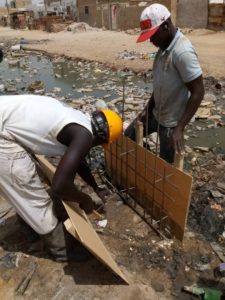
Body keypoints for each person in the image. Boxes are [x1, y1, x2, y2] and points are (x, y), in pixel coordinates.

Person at [0, 94, 122, 261]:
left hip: (4, 122)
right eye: (99, 144)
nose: (96, 146)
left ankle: (30, 231)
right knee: (27, 185)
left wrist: (95, 187)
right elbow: (59, 186)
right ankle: (61, 249)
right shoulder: (85, 135)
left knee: (21, 186)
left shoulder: (78, 119)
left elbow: (79, 160)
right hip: (2, 135)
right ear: (101, 136)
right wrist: (84, 198)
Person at [125, 3, 204, 163]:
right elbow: (160, 85)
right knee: (129, 135)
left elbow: (199, 91)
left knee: (165, 167)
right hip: (156, 113)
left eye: (153, 35)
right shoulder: (163, 48)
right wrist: (148, 109)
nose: (151, 41)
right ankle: (145, 161)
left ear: (166, 26)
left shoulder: (182, 52)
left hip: (171, 123)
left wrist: (180, 128)